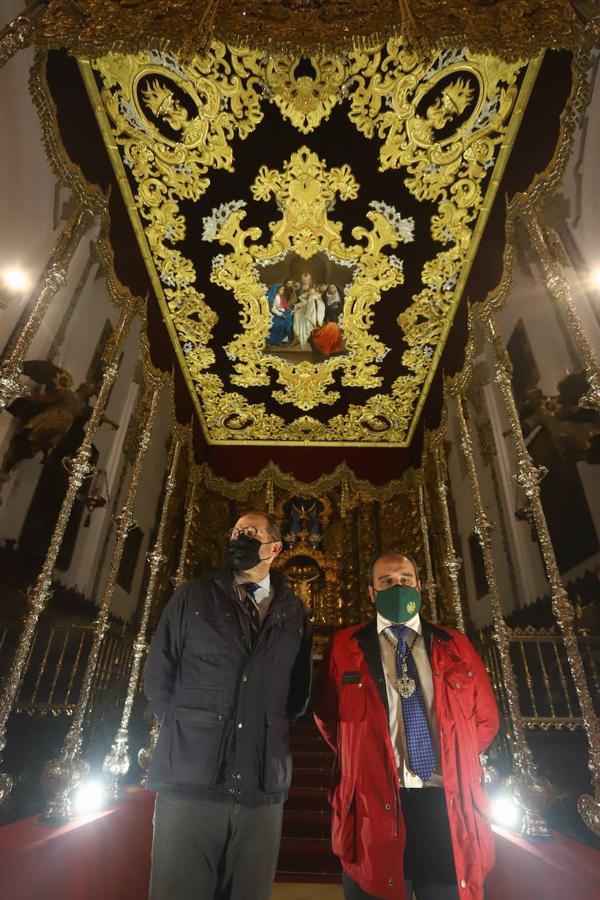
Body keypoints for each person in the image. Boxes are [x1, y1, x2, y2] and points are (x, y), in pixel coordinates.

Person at [144, 510, 313, 900]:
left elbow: (298, 693)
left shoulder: (293, 612)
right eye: (236, 530)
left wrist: (266, 733)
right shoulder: (193, 595)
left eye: (251, 532)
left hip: (261, 785)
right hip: (191, 778)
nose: (240, 537)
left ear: (275, 547)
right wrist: (190, 728)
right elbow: (158, 678)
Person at [314, 550, 499, 900]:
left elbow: (485, 719)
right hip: (373, 802)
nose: (397, 586)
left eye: (405, 580)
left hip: (446, 804)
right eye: (386, 581)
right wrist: (365, 754)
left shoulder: (454, 644)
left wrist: (455, 754)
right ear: (372, 591)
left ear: (418, 586)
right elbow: (327, 716)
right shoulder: (344, 645)